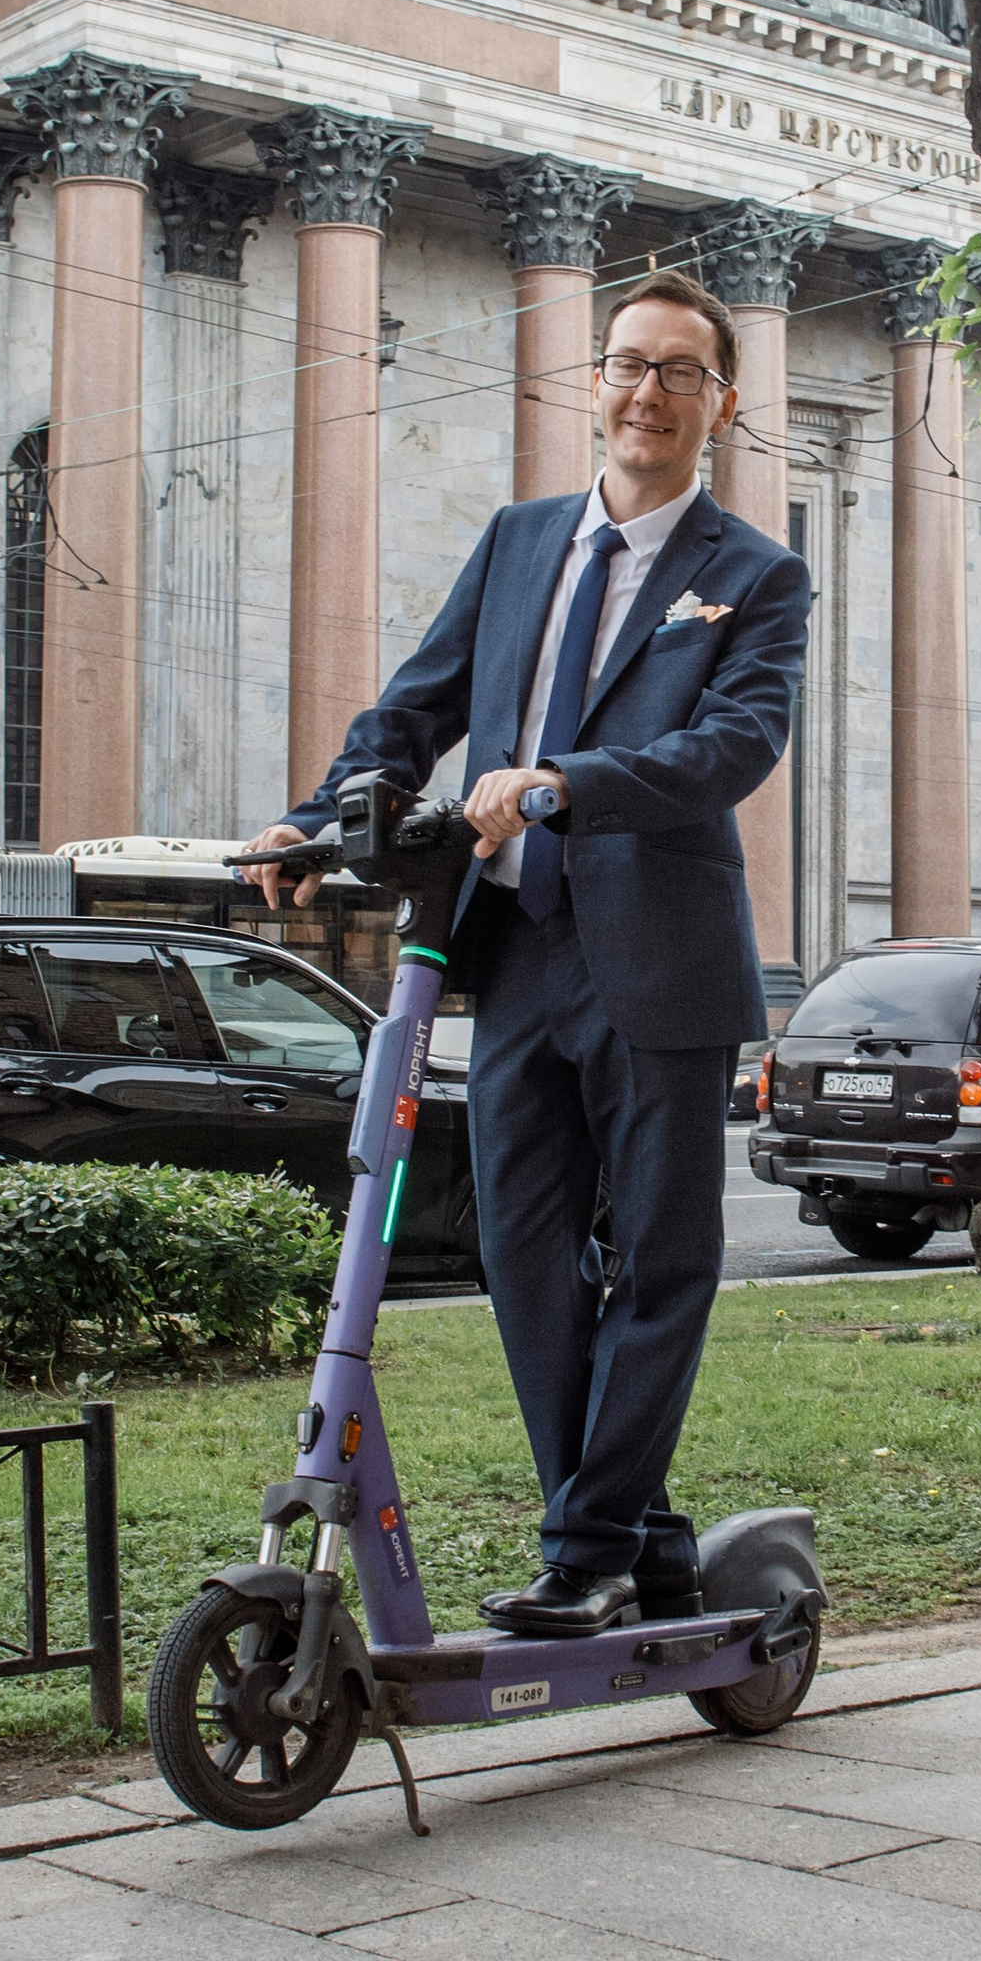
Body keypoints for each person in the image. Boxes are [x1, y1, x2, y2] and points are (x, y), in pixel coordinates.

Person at [246, 271, 809, 1635]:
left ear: (723, 403)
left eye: (681, 372)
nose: (648, 393)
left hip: (662, 960)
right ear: (594, 383)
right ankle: (633, 1534)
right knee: (524, 1254)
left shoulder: (754, 574)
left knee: (661, 1262)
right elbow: (416, 707)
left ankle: (589, 1546)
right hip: (513, 952)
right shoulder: (517, 542)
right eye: (628, 364)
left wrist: (564, 784)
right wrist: (318, 817)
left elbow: (733, 747)